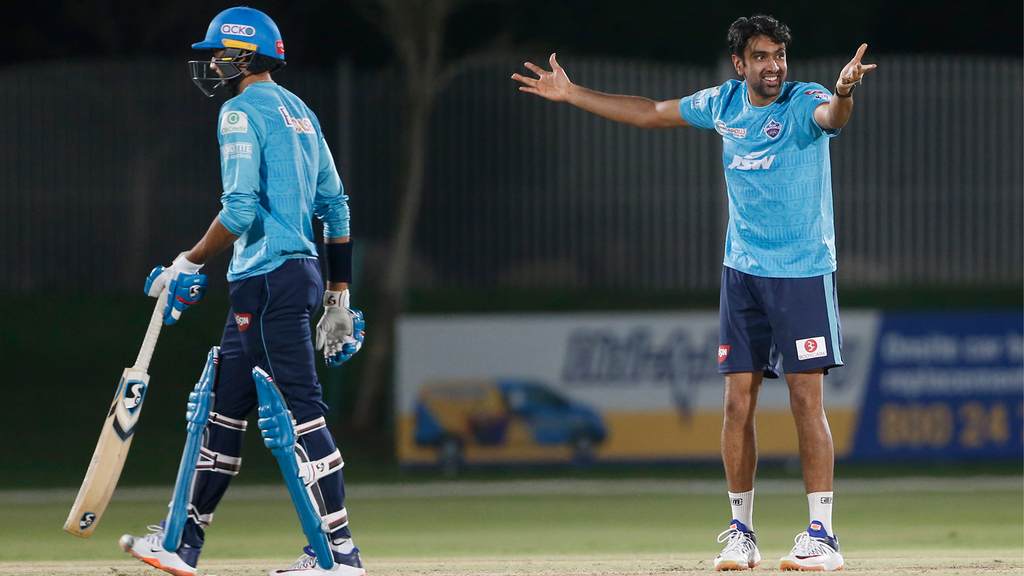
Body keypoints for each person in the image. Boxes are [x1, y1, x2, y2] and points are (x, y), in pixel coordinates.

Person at [513, 14, 875, 572]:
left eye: (779, 54)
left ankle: (822, 535)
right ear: (740, 63)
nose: (773, 65)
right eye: (761, 56)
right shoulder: (724, 103)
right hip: (742, 272)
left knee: (807, 400)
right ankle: (741, 533)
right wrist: (572, 94)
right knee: (736, 402)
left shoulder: (806, 99)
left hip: (802, 270)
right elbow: (653, 113)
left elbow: (834, 115)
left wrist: (846, 89)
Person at [118, 7, 367, 576]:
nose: (212, 64)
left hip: (267, 281)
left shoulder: (239, 111)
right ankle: (182, 545)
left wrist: (189, 259)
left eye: (219, 53)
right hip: (291, 278)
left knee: (300, 414)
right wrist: (337, 297)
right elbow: (336, 207)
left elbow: (240, 209)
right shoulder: (302, 113)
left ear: (244, 56)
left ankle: (339, 554)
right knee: (220, 410)